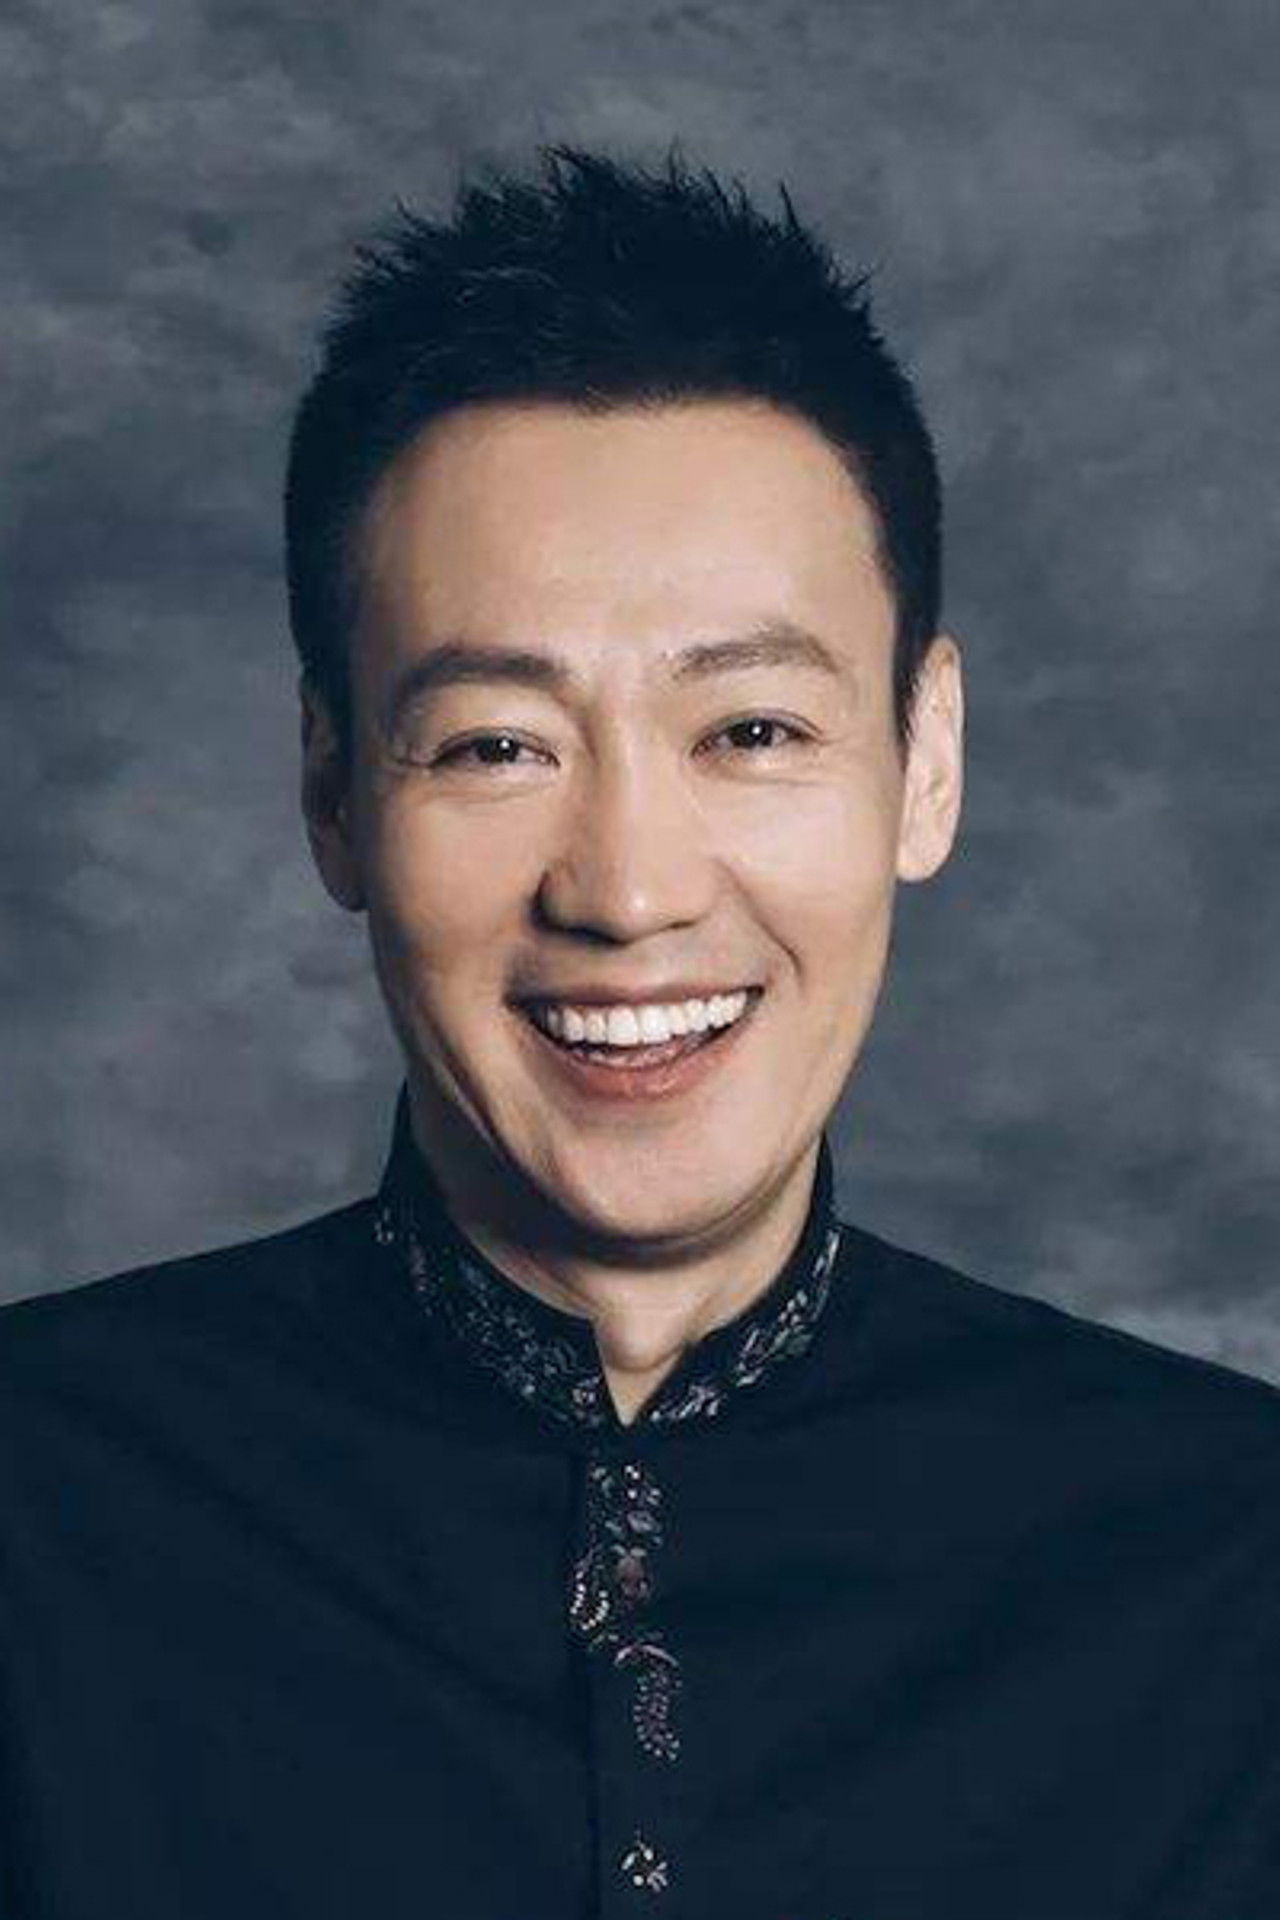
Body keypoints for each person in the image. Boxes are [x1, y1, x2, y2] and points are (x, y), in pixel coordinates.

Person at [2, 147, 1277, 1920]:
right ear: (332, 794)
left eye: (752, 731)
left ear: (925, 761)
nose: (627, 889)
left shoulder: (1232, 1560)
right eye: (495, 745)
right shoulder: (42, 1510)